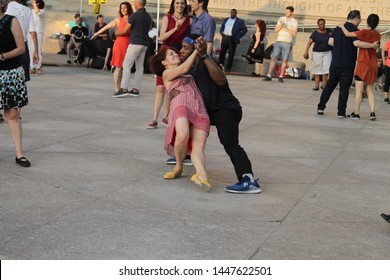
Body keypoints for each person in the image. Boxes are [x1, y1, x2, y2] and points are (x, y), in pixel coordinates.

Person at [179, 34, 261, 194]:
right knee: (186, 125)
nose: (181, 50)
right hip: (210, 111)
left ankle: (248, 179)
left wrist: (204, 55)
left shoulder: (206, 63)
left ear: (195, 50)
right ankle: (183, 156)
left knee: (230, 144)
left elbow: (221, 80)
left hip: (227, 110)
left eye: (185, 48)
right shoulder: (190, 69)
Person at [149, 43, 211, 191]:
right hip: (181, 103)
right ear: (164, 62)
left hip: (198, 106)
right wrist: (197, 50)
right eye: (171, 54)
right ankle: (178, 166)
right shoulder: (166, 73)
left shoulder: (189, 73)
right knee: (182, 135)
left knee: (199, 145)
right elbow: (183, 68)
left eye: (175, 53)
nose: (175, 54)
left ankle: (202, 175)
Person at [317, 10, 379, 118]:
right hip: (348, 64)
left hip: (335, 62)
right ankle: (341, 112)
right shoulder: (355, 30)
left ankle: (321, 107)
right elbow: (356, 43)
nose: (360, 21)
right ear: (355, 19)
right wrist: (372, 46)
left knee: (330, 85)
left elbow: (330, 42)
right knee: (344, 88)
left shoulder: (337, 29)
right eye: (359, 19)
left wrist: (340, 44)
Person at [147, 0, 191, 129]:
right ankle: (154, 118)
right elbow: (162, 37)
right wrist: (175, 29)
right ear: (174, 4)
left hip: (177, 55)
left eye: (182, 3)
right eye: (177, 3)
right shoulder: (167, 18)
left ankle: (166, 117)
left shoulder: (188, 20)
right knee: (160, 87)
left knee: (171, 88)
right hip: (165, 52)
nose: (179, 5)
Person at [0, 0, 31, 167]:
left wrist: (2, 56)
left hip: (11, 72)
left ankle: (19, 154)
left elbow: (21, 48)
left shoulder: (11, 20)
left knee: (12, 114)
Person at [339, 14, 381, 121]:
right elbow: (376, 48)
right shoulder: (378, 35)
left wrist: (342, 26)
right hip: (373, 64)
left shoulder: (363, 32)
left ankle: (356, 113)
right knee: (370, 89)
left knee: (359, 90)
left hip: (363, 63)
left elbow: (348, 34)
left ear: (367, 22)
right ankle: (372, 113)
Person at [113, 0, 152, 98]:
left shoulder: (134, 15)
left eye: (135, 2)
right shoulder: (148, 16)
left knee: (126, 64)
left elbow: (126, 29)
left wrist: (117, 33)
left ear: (139, 3)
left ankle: (124, 88)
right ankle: (136, 90)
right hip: (145, 44)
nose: (134, 3)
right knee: (139, 67)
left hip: (135, 43)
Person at [92, 2, 133, 94]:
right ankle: (116, 88)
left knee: (123, 67)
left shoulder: (132, 19)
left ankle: (121, 87)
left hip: (128, 44)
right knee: (118, 67)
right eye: (121, 8)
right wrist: (97, 33)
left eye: (125, 8)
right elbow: (107, 26)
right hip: (119, 44)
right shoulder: (118, 20)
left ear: (129, 8)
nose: (123, 9)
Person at [6, 0, 38, 82]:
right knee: (22, 79)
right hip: (23, 46)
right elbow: (33, 33)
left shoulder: (6, 7)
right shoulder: (27, 10)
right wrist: (36, 51)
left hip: (8, 46)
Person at [263, 6, 297, 83]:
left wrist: (286, 28)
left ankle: (281, 76)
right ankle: (269, 75)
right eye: (286, 11)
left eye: (288, 12)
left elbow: (294, 33)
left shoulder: (294, 21)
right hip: (279, 41)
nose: (286, 13)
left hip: (287, 42)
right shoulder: (281, 19)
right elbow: (276, 30)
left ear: (292, 12)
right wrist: (281, 25)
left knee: (284, 60)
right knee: (273, 58)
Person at [303, 18, 332, 90]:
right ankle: (316, 85)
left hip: (327, 52)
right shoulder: (315, 33)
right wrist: (306, 52)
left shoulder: (329, 31)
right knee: (317, 69)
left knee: (326, 69)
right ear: (318, 25)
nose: (322, 26)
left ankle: (324, 85)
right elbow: (309, 43)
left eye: (323, 24)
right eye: (320, 24)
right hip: (317, 53)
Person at [28, 0, 45, 75]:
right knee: (30, 49)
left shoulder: (43, 11)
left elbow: (38, 13)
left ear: (37, 3)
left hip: (39, 32)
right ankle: (32, 67)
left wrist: (35, 5)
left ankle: (38, 66)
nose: (32, 4)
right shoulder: (31, 11)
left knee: (37, 49)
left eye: (33, 2)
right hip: (31, 32)